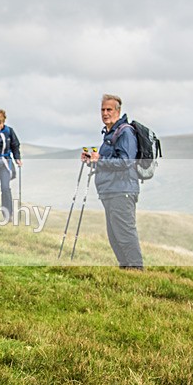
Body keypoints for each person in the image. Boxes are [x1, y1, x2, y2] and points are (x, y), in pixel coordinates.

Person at [83, 94, 143, 269]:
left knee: (124, 234)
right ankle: (126, 269)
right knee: (114, 235)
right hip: (110, 191)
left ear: (118, 111)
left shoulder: (125, 132)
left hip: (122, 190)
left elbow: (126, 162)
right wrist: (91, 161)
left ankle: (137, 270)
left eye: (109, 109)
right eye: (102, 110)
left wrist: (99, 159)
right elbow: (108, 162)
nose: (105, 113)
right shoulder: (110, 134)